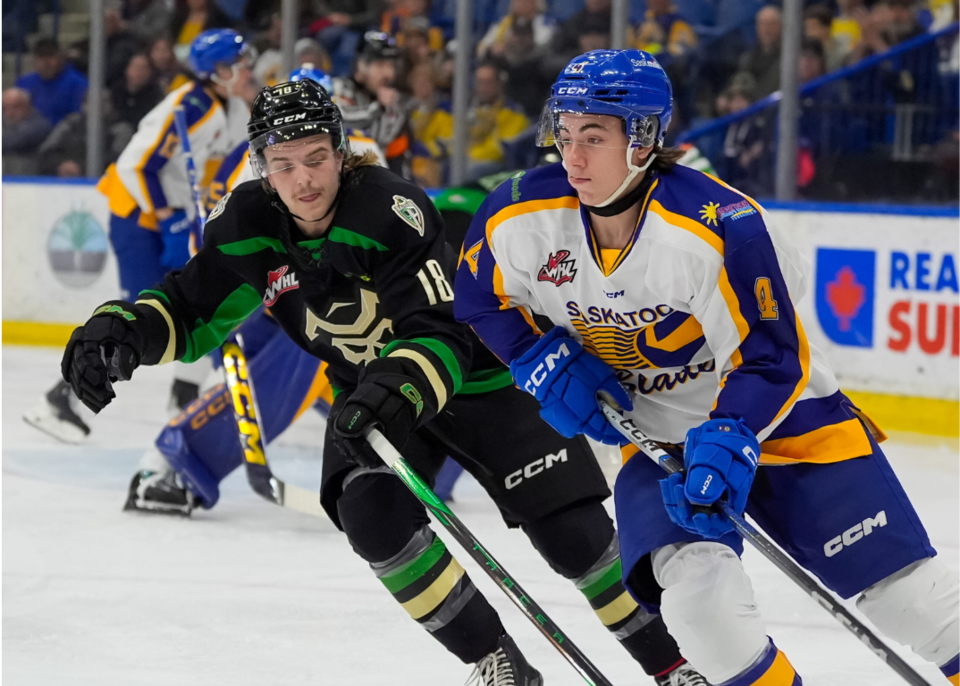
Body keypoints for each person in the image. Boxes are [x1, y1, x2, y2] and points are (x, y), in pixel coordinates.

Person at [60, 77, 706, 686]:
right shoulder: (247, 226)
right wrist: (120, 331)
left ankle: (673, 666)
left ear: (341, 152)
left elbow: (441, 332)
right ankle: (498, 662)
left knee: (575, 538)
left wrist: (391, 388)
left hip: (478, 385)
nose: (302, 179)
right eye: (283, 164)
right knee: (370, 516)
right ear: (261, 165)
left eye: (315, 158)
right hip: (373, 399)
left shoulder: (388, 209)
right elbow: (189, 306)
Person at [454, 48, 960, 686]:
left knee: (909, 598)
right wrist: (537, 357)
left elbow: (771, 355)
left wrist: (730, 432)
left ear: (642, 138)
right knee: (700, 611)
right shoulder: (518, 214)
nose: (572, 158)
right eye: (563, 135)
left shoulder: (724, 228)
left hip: (786, 425)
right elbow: (477, 296)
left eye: (593, 137)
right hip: (661, 440)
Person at [23, 29, 252, 444]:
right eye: (231, 64)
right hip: (137, 218)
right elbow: (136, 165)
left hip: (172, 220)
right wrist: (167, 216)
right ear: (211, 71)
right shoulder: (194, 105)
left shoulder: (227, 108)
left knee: (195, 304)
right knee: (140, 317)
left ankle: (184, 402)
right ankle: (64, 396)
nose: (242, 70)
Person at [333, 31, 411, 177]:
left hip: (375, 181)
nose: (388, 73)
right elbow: (340, 121)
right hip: (337, 177)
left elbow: (397, 157)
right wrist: (378, 108)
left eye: (391, 66)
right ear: (361, 65)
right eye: (380, 65)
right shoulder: (339, 88)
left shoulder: (396, 106)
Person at [466, 61, 530, 181]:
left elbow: (504, 149)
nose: (483, 88)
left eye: (488, 83)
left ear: (498, 84)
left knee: (471, 170)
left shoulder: (512, 112)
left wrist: (473, 155)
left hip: (497, 165)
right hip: (469, 159)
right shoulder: (469, 110)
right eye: (480, 83)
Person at [15, 37, 88, 128]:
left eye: (51, 57)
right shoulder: (24, 83)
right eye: (41, 57)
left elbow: (79, 121)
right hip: (26, 137)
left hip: (63, 138)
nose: (46, 63)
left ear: (61, 57)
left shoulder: (78, 84)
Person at [1, 87, 52, 175]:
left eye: (16, 107)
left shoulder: (40, 125)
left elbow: (18, 140)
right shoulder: (4, 121)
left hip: (29, 177)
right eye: (5, 107)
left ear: (27, 106)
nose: (10, 112)